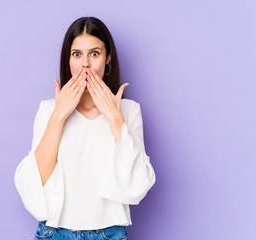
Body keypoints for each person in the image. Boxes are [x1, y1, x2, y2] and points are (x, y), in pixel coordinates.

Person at [14, 16, 156, 240]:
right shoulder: (48, 110)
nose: (85, 64)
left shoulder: (128, 111)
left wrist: (113, 116)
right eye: (77, 54)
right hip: (55, 233)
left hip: (109, 233)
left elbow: (137, 184)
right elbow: (34, 183)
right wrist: (59, 115)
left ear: (107, 59)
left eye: (95, 53)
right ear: (68, 60)